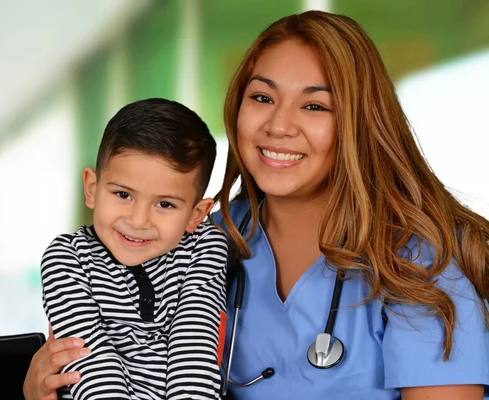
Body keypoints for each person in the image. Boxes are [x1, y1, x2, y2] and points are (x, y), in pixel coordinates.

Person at [24, 10, 489, 400]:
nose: (279, 125)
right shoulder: (201, 238)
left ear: (359, 123)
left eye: (314, 106)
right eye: (262, 97)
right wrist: (38, 388)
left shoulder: (422, 262)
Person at [39, 98, 228, 399]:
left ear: (196, 214)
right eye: (123, 194)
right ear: (92, 188)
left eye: (164, 204)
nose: (138, 220)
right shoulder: (66, 257)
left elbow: (194, 351)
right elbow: (89, 361)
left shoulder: (205, 248)